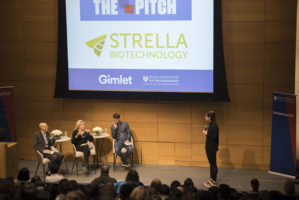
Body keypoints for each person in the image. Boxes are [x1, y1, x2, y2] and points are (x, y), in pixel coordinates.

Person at [203, 110, 219, 188]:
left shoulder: (215, 125)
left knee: (213, 165)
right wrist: (207, 132)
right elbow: (210, 135)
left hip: (212, 148)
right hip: (209, 147)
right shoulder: (210, 125)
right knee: (211, 164)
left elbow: (215, 137)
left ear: (209, 117)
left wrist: (207, 134)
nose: (205, 117)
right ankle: (211, 179)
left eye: (206, 116)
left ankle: (214, 181)